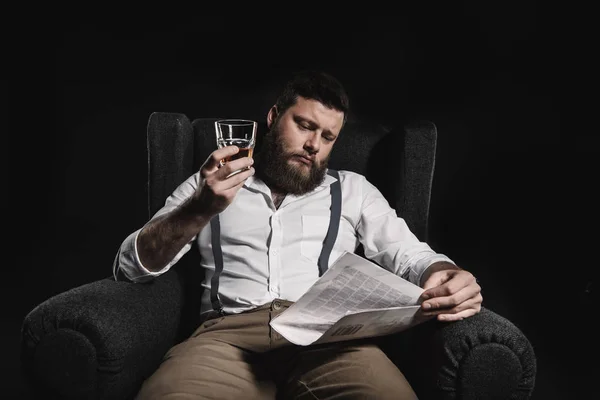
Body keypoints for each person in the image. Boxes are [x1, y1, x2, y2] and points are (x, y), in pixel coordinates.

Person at [115, 70, 483, 399]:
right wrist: (201, 207)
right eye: (305, 126)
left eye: (327, 136)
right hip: (225, 337)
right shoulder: (209, 183)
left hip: (330, 342)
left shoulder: (352, 189)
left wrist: (444, 273)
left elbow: (410, 255)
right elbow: (131, 266)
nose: (314, 145)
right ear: (274, 117)